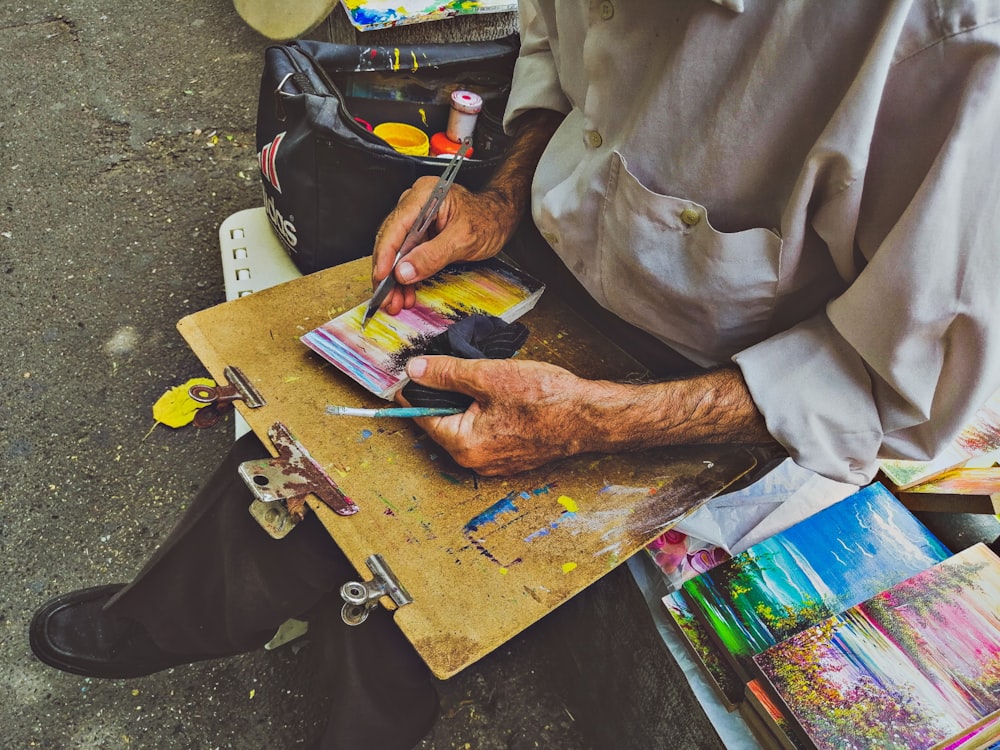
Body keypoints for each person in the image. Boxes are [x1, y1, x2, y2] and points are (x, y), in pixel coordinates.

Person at [29, 2, 1000, 749]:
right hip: (548, 250)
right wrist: (496, 192)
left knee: (422, 576)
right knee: (309, 427)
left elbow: (888, 387)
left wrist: (594, 422)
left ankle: (351, 708)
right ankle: (179, 616)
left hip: (709, 377)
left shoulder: (949, 49)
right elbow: (556, 57)